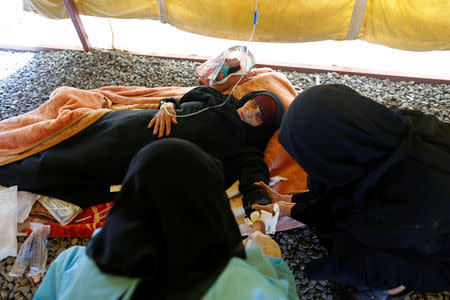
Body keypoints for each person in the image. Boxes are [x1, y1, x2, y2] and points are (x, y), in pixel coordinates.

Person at [33, 138, 298, 300]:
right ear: (211, 208)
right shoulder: (243, 285)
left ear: (129, 198)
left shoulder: (71, 267)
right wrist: (270, 264)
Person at [252, 84, 450, 299]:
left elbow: (344, 218)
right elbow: (341, 192)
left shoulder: (399, 213)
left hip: (440, 260)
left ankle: (393, 289)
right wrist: (290, 204)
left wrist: (276, 263)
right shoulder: (394, 130)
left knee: (354, 252)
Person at [0, 86, 285, 212]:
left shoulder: (245, 148)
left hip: (144, 155)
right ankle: (19, 150)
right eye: (254, 104)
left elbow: (254, 175)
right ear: (249, 97)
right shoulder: (217, 98)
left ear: (263, 127)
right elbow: (178, 98)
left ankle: (10, 169)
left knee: (68, 165)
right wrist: (166, 105)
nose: (251, 112)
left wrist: (258, 197)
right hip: (134, 124)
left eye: (260, 116)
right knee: (74, 135)